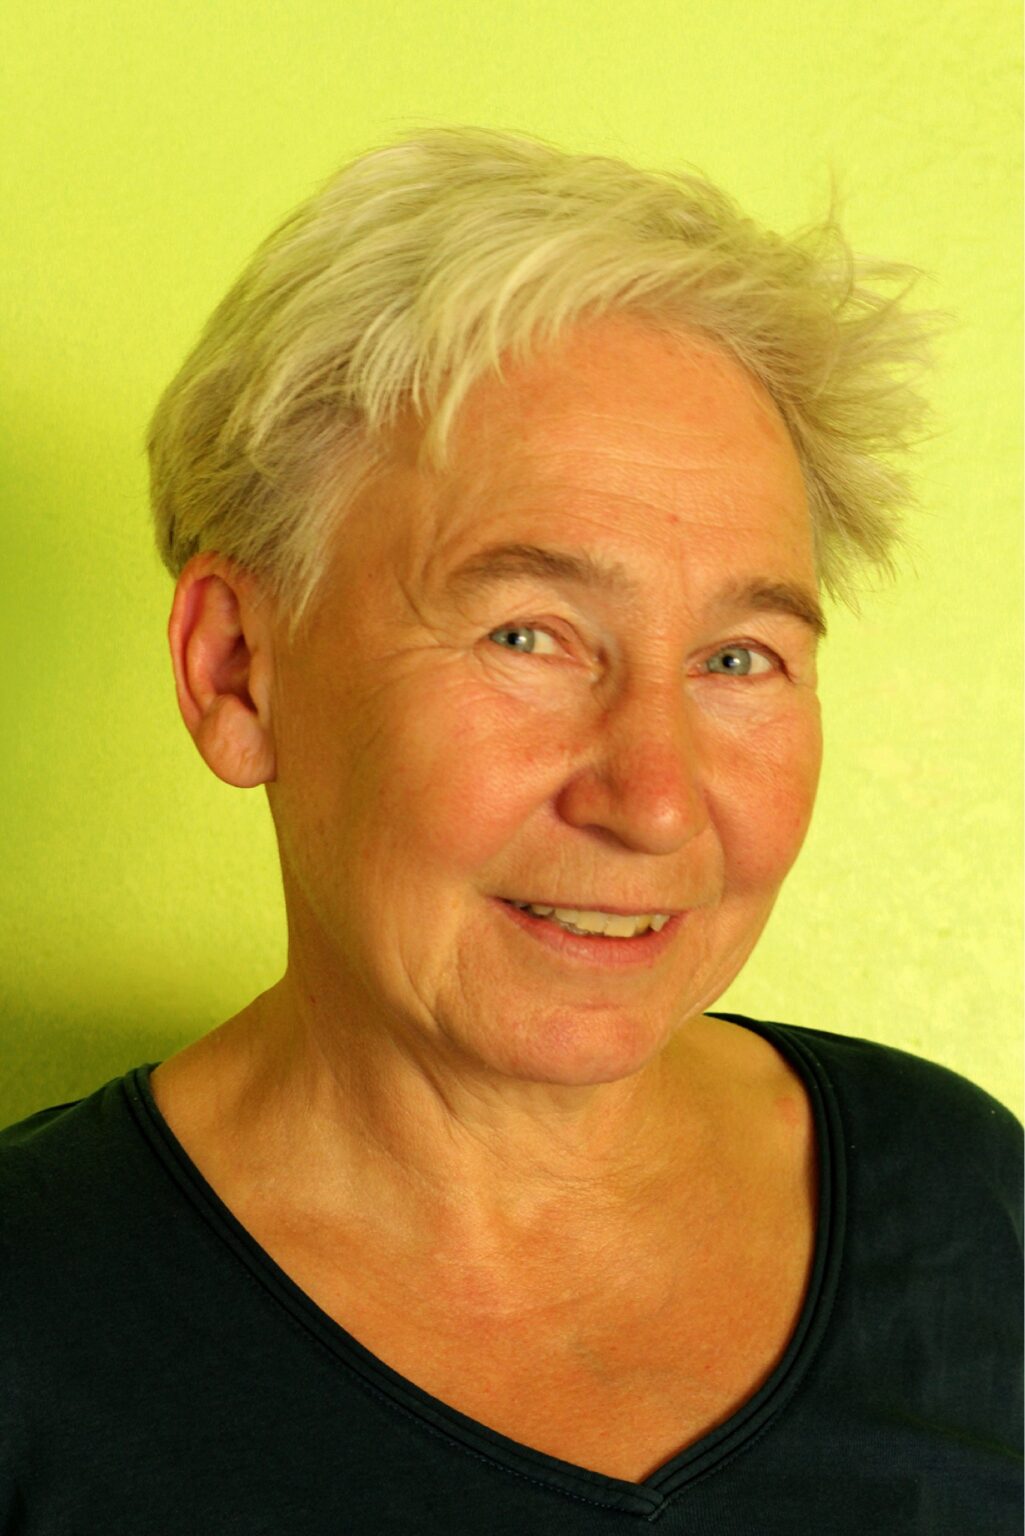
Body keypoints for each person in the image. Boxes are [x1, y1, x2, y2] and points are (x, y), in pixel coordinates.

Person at [1, 125, 1020, 1534]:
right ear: (237, 669)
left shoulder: (965, 1200)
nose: (654, 800)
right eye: (527, 635)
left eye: (737, 659)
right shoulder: (33, 1329)